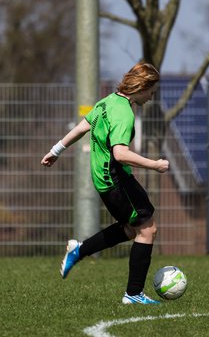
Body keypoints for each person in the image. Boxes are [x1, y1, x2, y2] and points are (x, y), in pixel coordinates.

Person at [41, 62, 169, 304]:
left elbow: (82, 127)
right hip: (115, 178)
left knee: (132, 229)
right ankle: (133, 295)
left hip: (105, 179)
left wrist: (56, 150)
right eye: (151, 92)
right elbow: (120, 153)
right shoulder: (124, 112)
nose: (152, 98)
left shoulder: (107, 101)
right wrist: (155, 165)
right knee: (147, 229)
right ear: (142, 87)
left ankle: (79, 250)